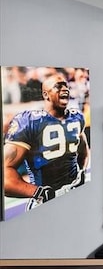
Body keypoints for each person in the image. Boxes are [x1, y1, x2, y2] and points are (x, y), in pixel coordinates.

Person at [3, 73, 90, 210]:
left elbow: (83, 149)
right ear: (46, 95)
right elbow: (5, 176)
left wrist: (82, 172)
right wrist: (38, 192)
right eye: (58, 86)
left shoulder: (76, 117)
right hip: (45, 202)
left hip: (73, 193)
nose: (65, 89)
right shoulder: (29, 122)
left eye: (66, 86)